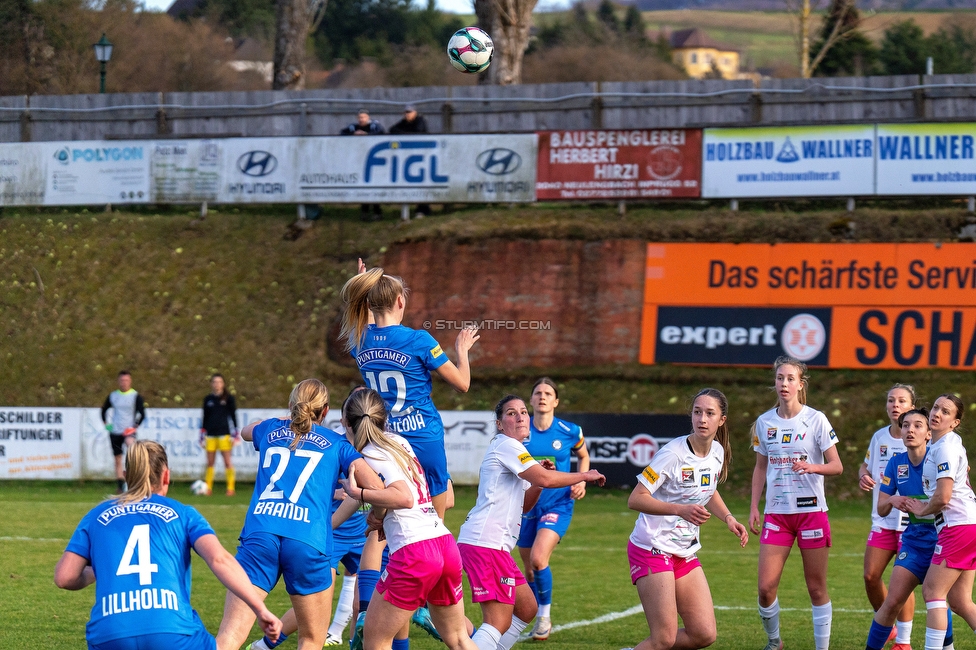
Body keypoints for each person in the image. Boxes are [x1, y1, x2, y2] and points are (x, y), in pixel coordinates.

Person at [54, 440, 281, 650]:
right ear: (166, 476)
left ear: (125, 476)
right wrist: (259, 609)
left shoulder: (96, 516)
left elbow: (64, 577)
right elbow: (219, 559)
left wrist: (100, 569)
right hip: (171, 629)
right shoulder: (183, 513)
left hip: (110, 632)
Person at [215, 379, 386, 650]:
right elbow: (376, 486)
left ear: (291, 404)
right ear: (326, 411)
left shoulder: (270, 428)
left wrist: (284, 419)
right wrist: (378, 515)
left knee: (230, 636)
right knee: (310, 639)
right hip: (308, 538)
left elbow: (247, 431)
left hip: (262, 531)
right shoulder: (337, 443)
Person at [458, 394, 605, 650]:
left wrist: (538, 481)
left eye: (523, 412)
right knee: (497, 621)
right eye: (511, 413)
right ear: (499, 424)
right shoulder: (507, 445)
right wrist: (584, 475)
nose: (520, 417)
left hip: (493, 546)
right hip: (485, 543)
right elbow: (546, 479)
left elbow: (525, 504)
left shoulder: (516, 450)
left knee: (527, 608)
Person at [339, 388, 479, 650]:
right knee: (459, 639)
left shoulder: (366, 454)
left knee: (375, 641)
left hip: (415, 551)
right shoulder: (398, 442)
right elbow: (390, 492)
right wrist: (377, 514)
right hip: (443, 542)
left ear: (345, 421)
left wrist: (359, 493)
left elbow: (402, 497)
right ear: (384, 417)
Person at [340, 261, 479, 520]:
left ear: (369, 303)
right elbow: (463, 384)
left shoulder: (359, 340)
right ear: (400, 301)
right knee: (436, 515)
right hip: (422, 433)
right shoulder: (418, 340)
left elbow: (367, 322)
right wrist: (462, 350)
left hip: (384, 436)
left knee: (396, 514)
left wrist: (363, 289)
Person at [624, 388, 748, 650]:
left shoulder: (717, 451)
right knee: (663, 638)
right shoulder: (673, 454)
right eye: (697, 412)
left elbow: (708, 489)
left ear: (722, 420)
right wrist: (679, 509)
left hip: (683, 550)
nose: (702, 419)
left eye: (709, 413)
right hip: (651, 547)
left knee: (703, 634)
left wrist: (728, 517)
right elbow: (635, 499)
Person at [749, 356, 843, 650]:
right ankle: (774, 642)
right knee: (765, 588)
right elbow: (760, 467)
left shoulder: (816, 419)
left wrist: (812, 467)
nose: (784, 383)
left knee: (816, 588)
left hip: (811, 513)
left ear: (801, 384)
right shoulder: (764, 422)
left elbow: (837, 466)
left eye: (791, 378)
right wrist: (754, 506)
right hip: (777, 514)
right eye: (780, 378)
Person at [864, 407, 955, 650]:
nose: (910, 430)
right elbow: (882, 508)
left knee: (939, 601)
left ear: (928, 434)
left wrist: (925, 507)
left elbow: (952, 496)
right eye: (905, 425)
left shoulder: (940, 458)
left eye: (917, 425)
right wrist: (892, 500)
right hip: (914, 541)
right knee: (892, 602)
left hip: (942, 540)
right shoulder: (895, 464)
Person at [517, 378, 591, 640]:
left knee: (539, 559)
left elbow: (583, 456)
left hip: (558, 503)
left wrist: (581, 481)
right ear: (531, 400)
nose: (542, 397)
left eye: (548, 393)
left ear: (556, 401)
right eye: (538, 393)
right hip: (525, 505)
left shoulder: (570, 431)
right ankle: (531, 614)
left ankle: (544, 618)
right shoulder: (520, 431)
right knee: (529, 570)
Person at [905, 394, 976, 650]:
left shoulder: (945, 447)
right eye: (936, 407)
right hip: (966, 525)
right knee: (959, 601)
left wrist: (923, 509)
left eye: (945, 411)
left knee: (933, 592)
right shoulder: (943, 444)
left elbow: (944, 496)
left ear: (955, 422)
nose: (937, 413)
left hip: (958, 527)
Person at [858, 384, 915, 646]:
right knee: (871, 576)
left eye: (902, 401)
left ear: (912, 406)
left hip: (910, 523)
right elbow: (866, 466)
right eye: (891, 400)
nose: (895, 405)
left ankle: (904, 641)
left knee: (903, 582)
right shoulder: (879, 437)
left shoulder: (920, 437)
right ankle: (886, 622)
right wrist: (863, 476)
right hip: (882, 519)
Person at [101, 370, 146, 494]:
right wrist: (106, 424)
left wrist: (135, 426)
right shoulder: (113, 396)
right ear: (118, 381)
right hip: (115, 431)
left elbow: (142, 413)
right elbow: (104, 410)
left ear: (130, 381)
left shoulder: (135, 396)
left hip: (128, 431)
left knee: (132, 452)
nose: (124, 383)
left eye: (126, 380)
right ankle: (121, 486)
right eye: (122, 380)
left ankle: (134, 482)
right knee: (117, 458)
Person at [340, 109, 385, 221]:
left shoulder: (374, 126)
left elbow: (381, 133)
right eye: (360, 117)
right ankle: (364, 211)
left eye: (364, 117)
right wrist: (353, 134)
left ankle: (377, 211)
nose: (362, 119)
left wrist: (366, 135)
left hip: (374, 162)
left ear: (368, 118)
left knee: (373, 187)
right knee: (363, 187)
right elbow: (342, 133)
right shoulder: (353, 127)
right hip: (359, 160)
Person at [199, 373, 240, 497]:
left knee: (227, 462)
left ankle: (230, 488)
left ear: (223, 384)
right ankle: (208, 488)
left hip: (224, 435)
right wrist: (202, 433)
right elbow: (205, 417)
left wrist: (235, 433)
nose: (217, 384)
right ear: (211, 384)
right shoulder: (208, 399)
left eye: (219, 382)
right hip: (210, 435)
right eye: (214, 382)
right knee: (210, 463)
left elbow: (233, 416)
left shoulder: (228, 398)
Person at [389, 104, 432, 218]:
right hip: (410, 157)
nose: (407, 115)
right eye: (406, 112)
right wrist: (405, 133)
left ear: (415, 113)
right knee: (413, 183)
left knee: (422, 182)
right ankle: (419, 209)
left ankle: (423, 209)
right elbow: (392, 129)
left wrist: (403, 133)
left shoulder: (420, 120)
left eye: (410, 112)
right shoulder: (404, 122)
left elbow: (417, 132)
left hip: (423, 156)